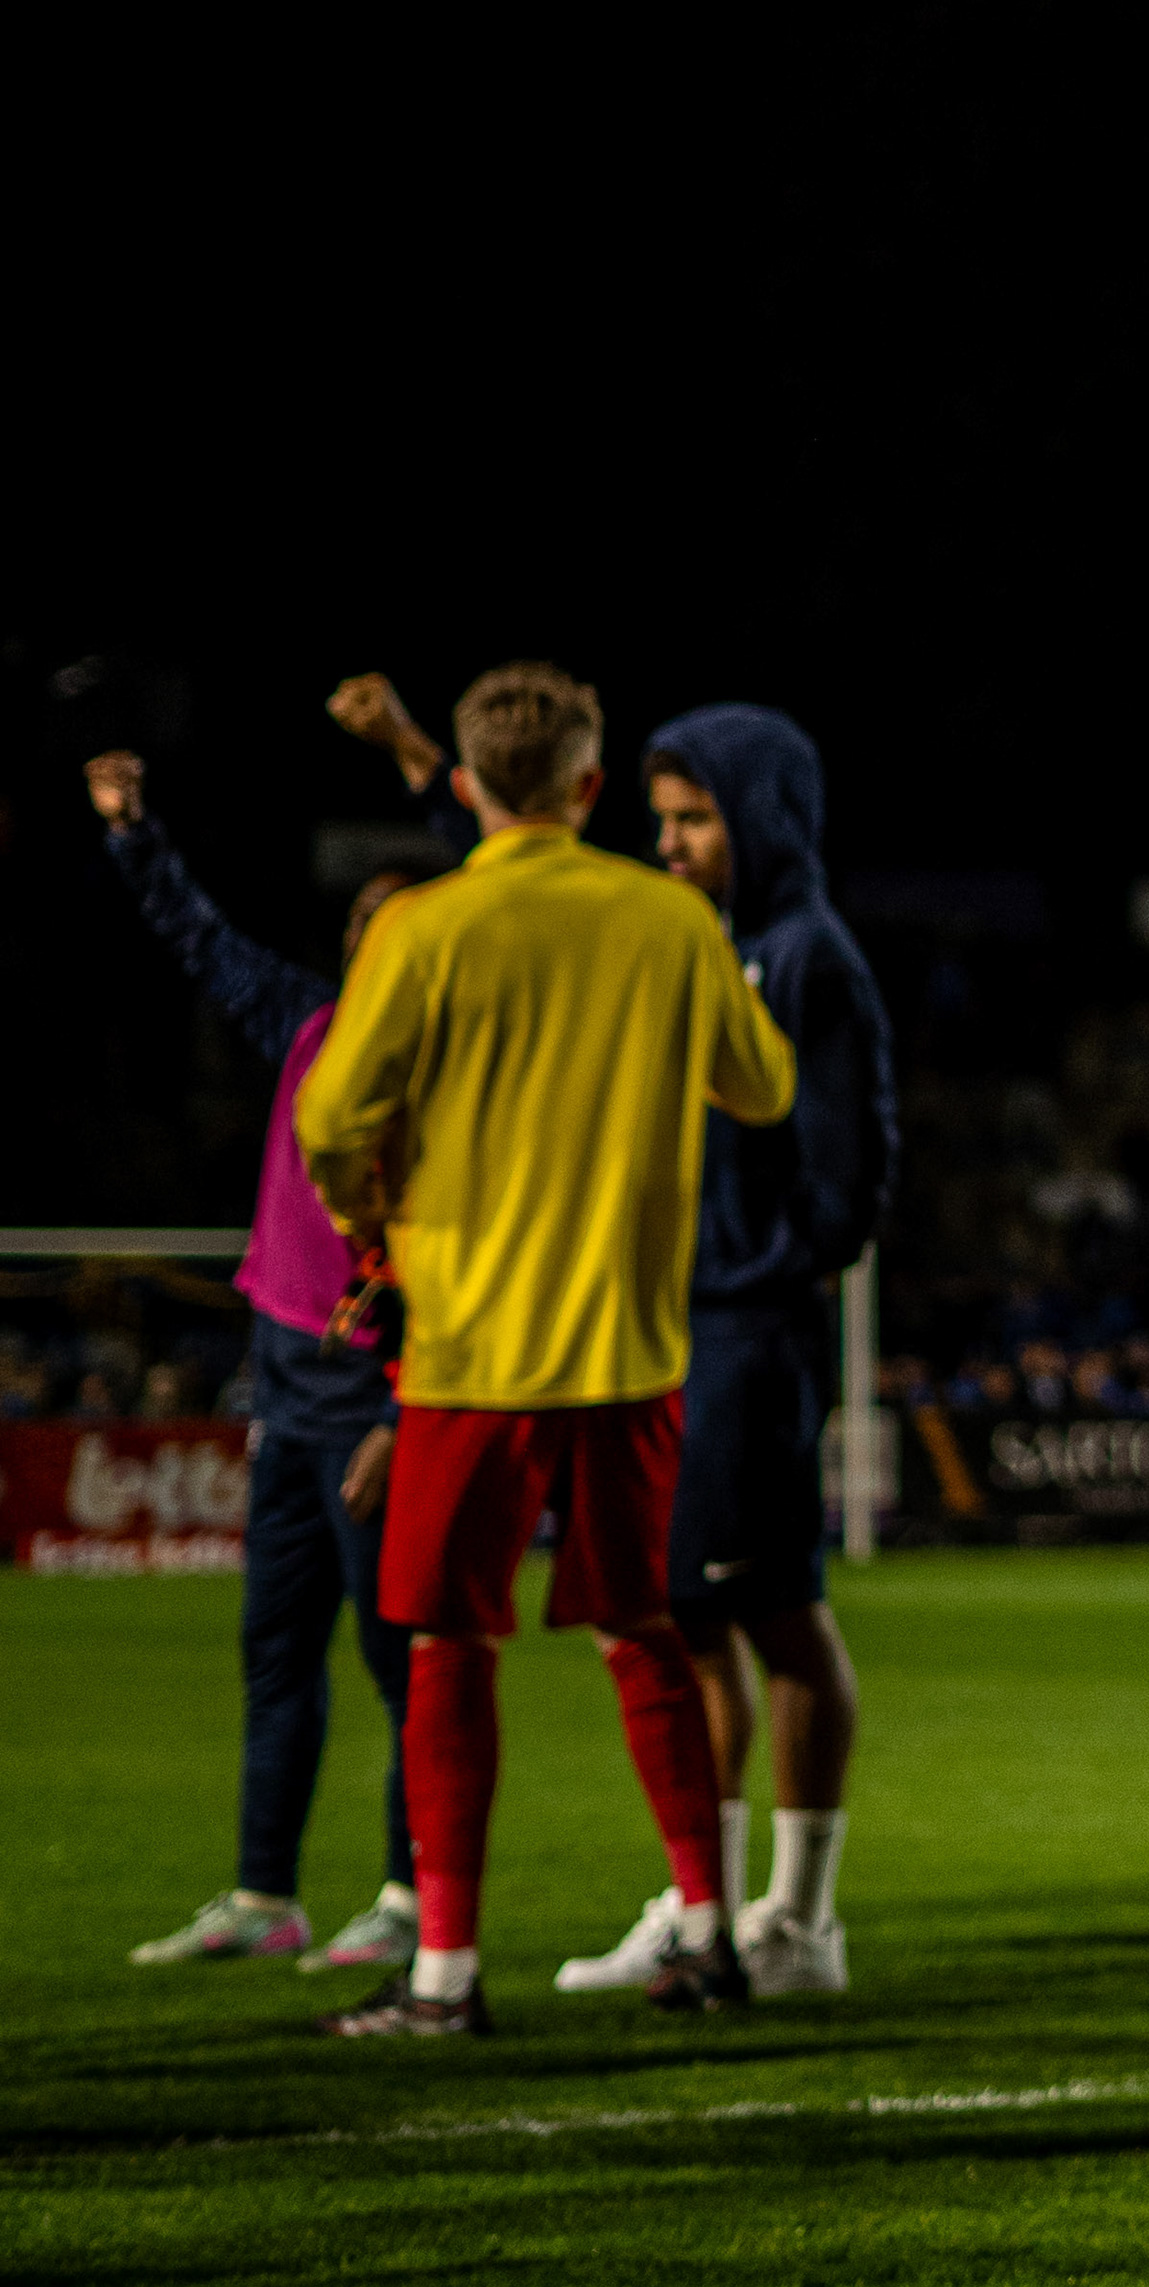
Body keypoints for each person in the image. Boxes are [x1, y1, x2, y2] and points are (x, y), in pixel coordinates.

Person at [289, 661, 798, 2038]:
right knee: (645, 1635)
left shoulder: (426, 928)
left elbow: (330, 1117)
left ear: (466, 783)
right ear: (589, 783)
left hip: (472, 1352)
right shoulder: (669, 919)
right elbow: (763, 1086)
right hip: (629, 1349)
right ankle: (712, 1932)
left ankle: (447, 1973)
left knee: (449, 1648)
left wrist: (364, 1211)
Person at [87, 734, 458, 1973]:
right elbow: (205, 945)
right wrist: (134, 837)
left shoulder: (451, 1080)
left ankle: (411, 1901)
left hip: (375, 1394)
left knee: (398, 1656)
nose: (365, 937)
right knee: (275, 1646)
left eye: (391, 924)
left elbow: (468, 1262)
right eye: (358, 921)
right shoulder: (309, 1023)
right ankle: (265, 1898)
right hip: (287, 1384)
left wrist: (405, 1416)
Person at [552, 709, 898, 2004]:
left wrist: (759, 1272)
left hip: (751, 1334)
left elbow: (851, 1175)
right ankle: (708, 1902)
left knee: (776, 1613)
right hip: (679, 1326)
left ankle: (796, 1921)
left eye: (695, 818)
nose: (671, 844)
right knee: (691, 1615)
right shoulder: (699, 945)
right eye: (664, 820)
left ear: (762, 815)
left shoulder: (808, 958)